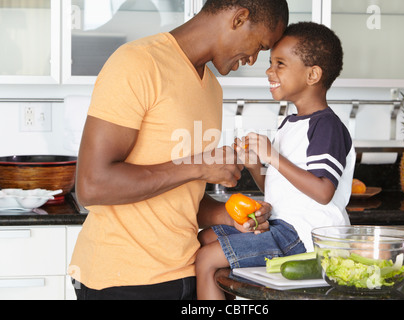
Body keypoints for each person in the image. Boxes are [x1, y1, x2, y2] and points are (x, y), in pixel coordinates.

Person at [69, 0, 289, 300]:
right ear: (239, 19)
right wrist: (199, 165)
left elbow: (180, 197)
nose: (253, 60)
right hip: (123, 280)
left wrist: (227, 215)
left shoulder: (212, 88)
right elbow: (92, 185)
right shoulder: (138, 63)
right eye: (260, 46)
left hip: (187, 273)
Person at [195, 21, 356, 300]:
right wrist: (256, 165)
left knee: (207, 258)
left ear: (312, 74)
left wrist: (272, 155)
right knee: (204, 238)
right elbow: (278, 186)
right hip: (285, 230)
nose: (269, 71)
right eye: (271, 63)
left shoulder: (326, 126)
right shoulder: (290, 123)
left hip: (308, 240)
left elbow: (322, 191)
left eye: (280, 64)